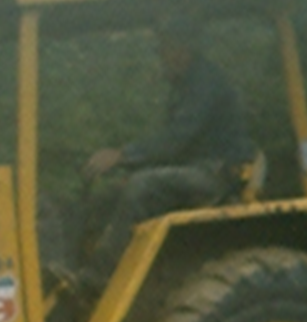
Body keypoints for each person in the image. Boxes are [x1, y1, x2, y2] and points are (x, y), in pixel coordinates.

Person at [81, 18, 255, 285]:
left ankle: (97, 280)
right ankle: (83, 263)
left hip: (217, 173)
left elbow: (176, 139)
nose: (160, 57)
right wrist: (131, 164)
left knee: (142, 186)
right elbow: (175, 148)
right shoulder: (186, 85)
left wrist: (123, 155)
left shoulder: (204, 83)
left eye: (163, 49)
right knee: (113, 193)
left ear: (181, 48)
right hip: (196, 167)